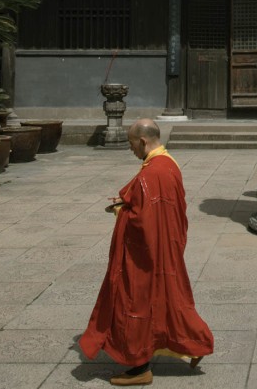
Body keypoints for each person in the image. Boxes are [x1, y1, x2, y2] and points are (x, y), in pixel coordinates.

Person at [80, 120, 213, 386]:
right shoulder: (167, 163)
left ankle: (140, 367)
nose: (131, 150)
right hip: (165, 246)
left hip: (146, 254)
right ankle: (195, 343)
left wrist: (121, 211)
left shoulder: (152, 173)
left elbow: (143, 220)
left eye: (131, 145)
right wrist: (128, 202)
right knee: (169, 299)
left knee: (135, 303)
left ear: (142, 141)